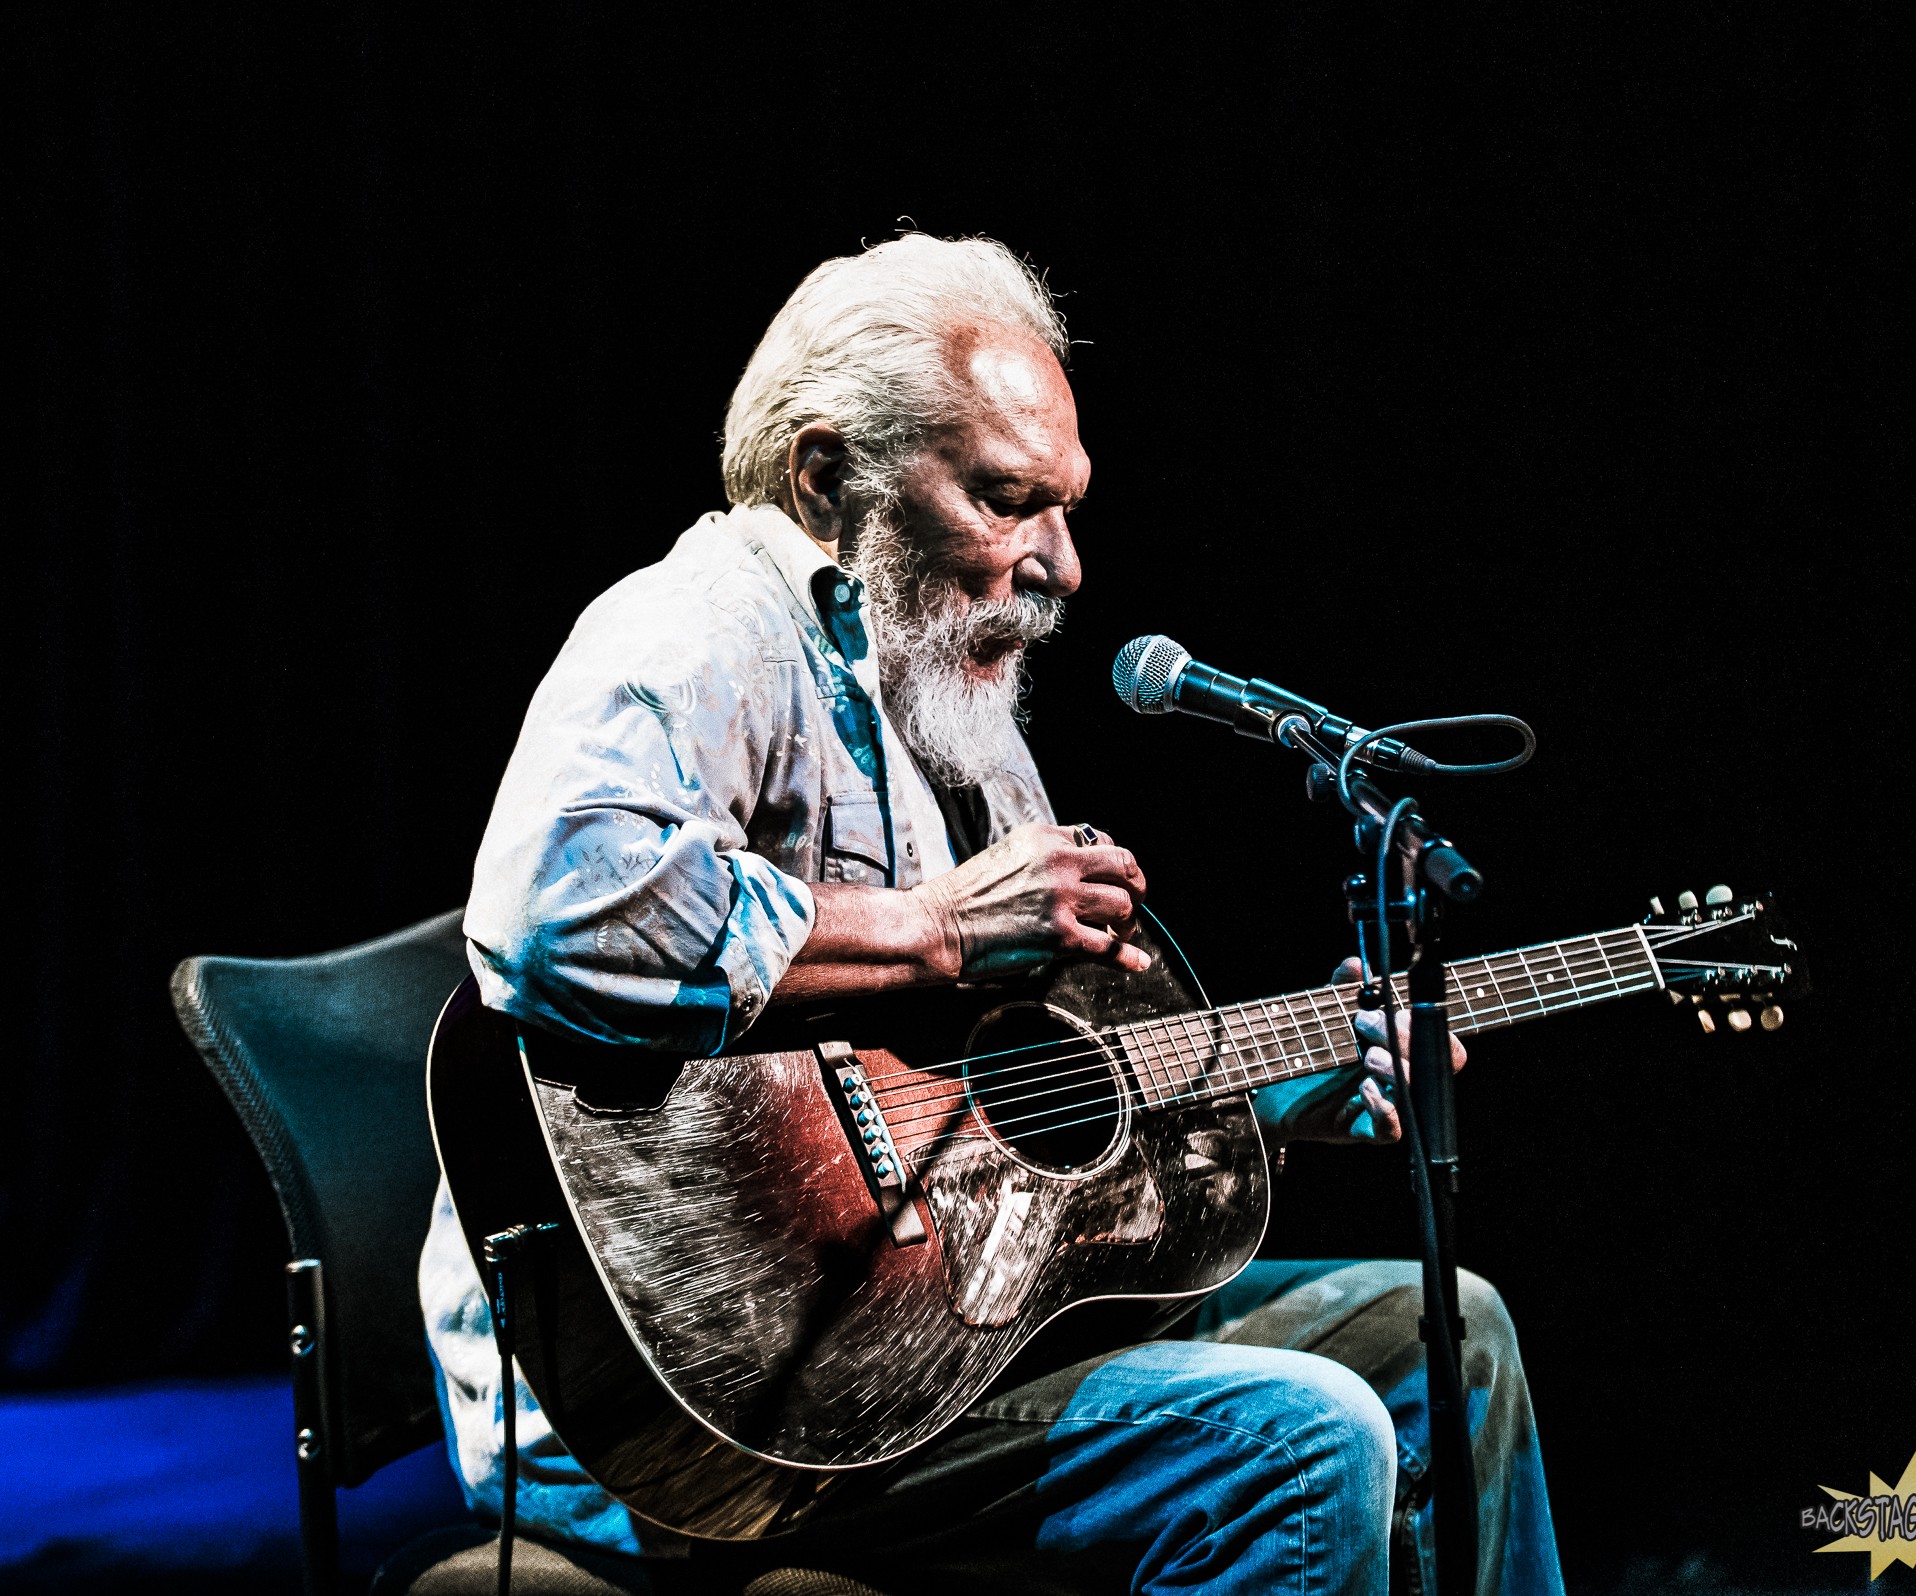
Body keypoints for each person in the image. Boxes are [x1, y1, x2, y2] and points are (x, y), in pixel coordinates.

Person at [420, 233, 1566, 1595]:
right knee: (1300, 1441)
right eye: (1009, 499)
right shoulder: (698, 626)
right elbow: (552, 913)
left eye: (1067, 507)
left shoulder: (952, 704)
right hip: (687, 1402)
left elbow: (1006, 1129)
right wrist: (938, 933)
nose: (1064, 565)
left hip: (926, 1338)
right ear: (828, 475)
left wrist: (1282, 1091)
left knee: (1458, 1336)